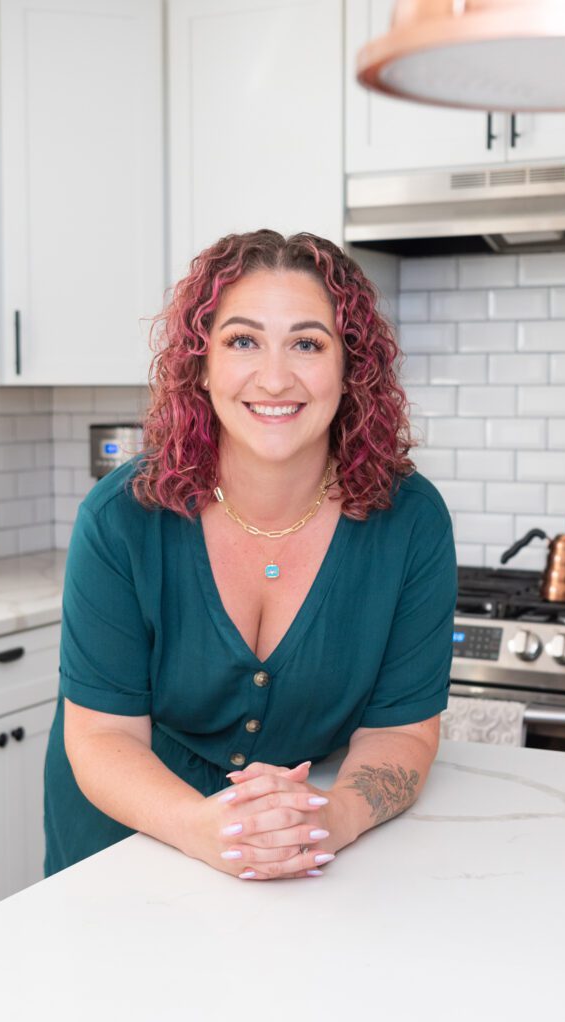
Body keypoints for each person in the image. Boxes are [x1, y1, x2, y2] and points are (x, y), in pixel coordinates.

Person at [43, 229, 457, 882]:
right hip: (125, 850)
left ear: (351, 368)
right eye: (243, 340)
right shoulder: (120, 517)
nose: (273, 376)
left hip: (300, 854)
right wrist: (209, 829)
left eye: (307, 343)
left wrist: (334, 817)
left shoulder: (410, 522)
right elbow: (101, 738)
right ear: (201, 364)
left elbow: (401, 733)